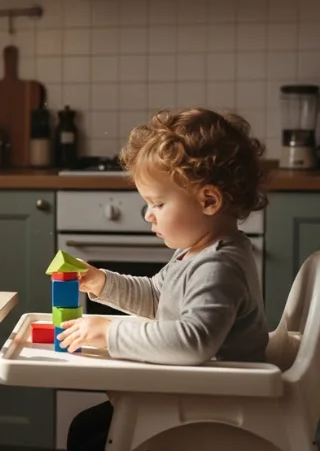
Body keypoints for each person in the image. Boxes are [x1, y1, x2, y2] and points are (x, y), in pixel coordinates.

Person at [59, 108, 270, 451]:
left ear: (209, 200)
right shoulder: (194, 253)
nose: (148, 215)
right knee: (85, 428)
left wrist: (109, 333)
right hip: (192, 396)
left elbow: (192, 341)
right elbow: (158, 298)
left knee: (91, 437)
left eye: (157, 203)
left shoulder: (219, 265)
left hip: (214, 412)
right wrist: (101, 282)